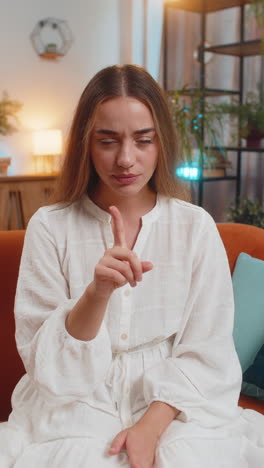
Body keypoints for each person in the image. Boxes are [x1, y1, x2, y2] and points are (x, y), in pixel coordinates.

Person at [0, 64, 263, 468]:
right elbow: (48, 367)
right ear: (86, 145)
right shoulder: (50, 227)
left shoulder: (194, 227)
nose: (126, 159)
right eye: (107, 141)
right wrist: (96, 293)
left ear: (162, 144)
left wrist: (150, 428)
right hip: (74, 401)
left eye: (143, 140)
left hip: (173, 401)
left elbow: (208, 351)